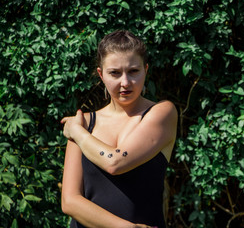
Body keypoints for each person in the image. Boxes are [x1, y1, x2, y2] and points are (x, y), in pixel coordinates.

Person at [60, 30, 177, 228]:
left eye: (133, 71)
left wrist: (78, 133)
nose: (125, 82)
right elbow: (70, 202)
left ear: (145, 70)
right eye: (114, 73)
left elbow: (116, 162)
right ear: (101, 74)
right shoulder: (85, 122)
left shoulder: (162, 113)